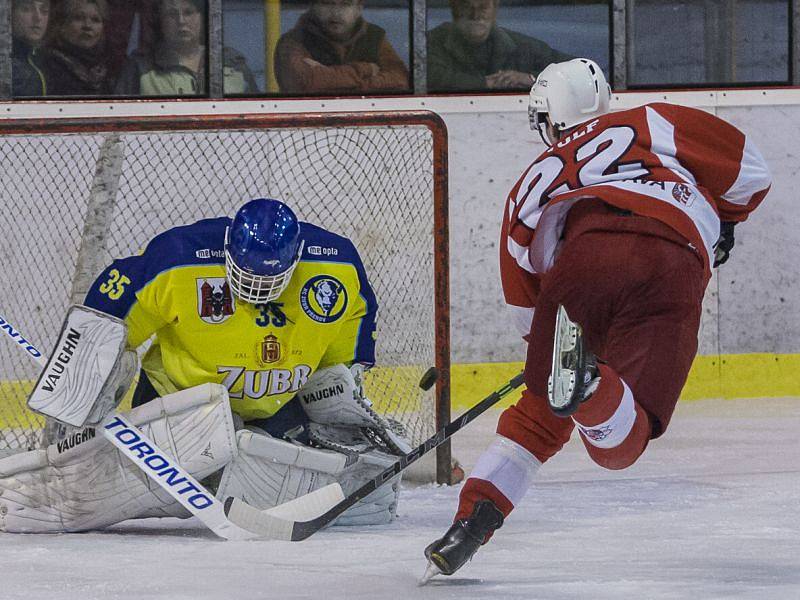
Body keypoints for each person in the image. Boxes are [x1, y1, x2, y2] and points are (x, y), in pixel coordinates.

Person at [421, 58, 772, 581]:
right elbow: (752, 174)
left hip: (578, 263)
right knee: (621, 444)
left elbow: (526, 306)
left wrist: (545, 348)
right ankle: (589, 384)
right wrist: (725, 220)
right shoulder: (652, 121)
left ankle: (470, 523)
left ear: (549, 118)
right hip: (672, 254)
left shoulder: (529, 182)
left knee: (544, 411)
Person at [0, 198, 407, 533]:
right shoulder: (180, 261)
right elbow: (115, 300)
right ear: (227, 248)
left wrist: (337, 391)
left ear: (296, 260)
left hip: (275, 407)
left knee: (360, 490)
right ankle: (41, 495)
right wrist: (91, 361)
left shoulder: (337, 270)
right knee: (119, 489)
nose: (256, 288)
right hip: (178, 401)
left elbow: (345, 350)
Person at [114, 0, 258, 96]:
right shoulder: (139, 68)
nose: (181, 21)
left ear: (202, 17)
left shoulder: (232, 63)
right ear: (160, 22)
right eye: (171, 14)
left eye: (188, 12)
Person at [427, 0, 572, 92]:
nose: (475, 15)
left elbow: (576, 69)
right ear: (453, 8)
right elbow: (429, 76)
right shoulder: (431, 42)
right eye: (466, 6)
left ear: (495, 10)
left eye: (483, 7)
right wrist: (484, 84)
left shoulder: (522, 46)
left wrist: (532, 79)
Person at [274, 0, 408, 95]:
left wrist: (332, 81)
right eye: (327, 3)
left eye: (346, 4)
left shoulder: (374, 37)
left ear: (359, 9)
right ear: (313, 6)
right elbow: (305, 82)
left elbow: (400, 79)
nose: (336, 13)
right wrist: (366, 69)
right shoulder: (293, 41)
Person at [37, 0, 113, 96]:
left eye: (95, 20)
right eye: (78, 18)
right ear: (61, 25)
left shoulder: (103, 73)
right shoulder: (45, 66)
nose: (88, 26)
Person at [11, 0, 50, 97]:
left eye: (44, 11)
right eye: (26, 9)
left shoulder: (48, 60)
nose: (38, 18)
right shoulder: (8, 62)